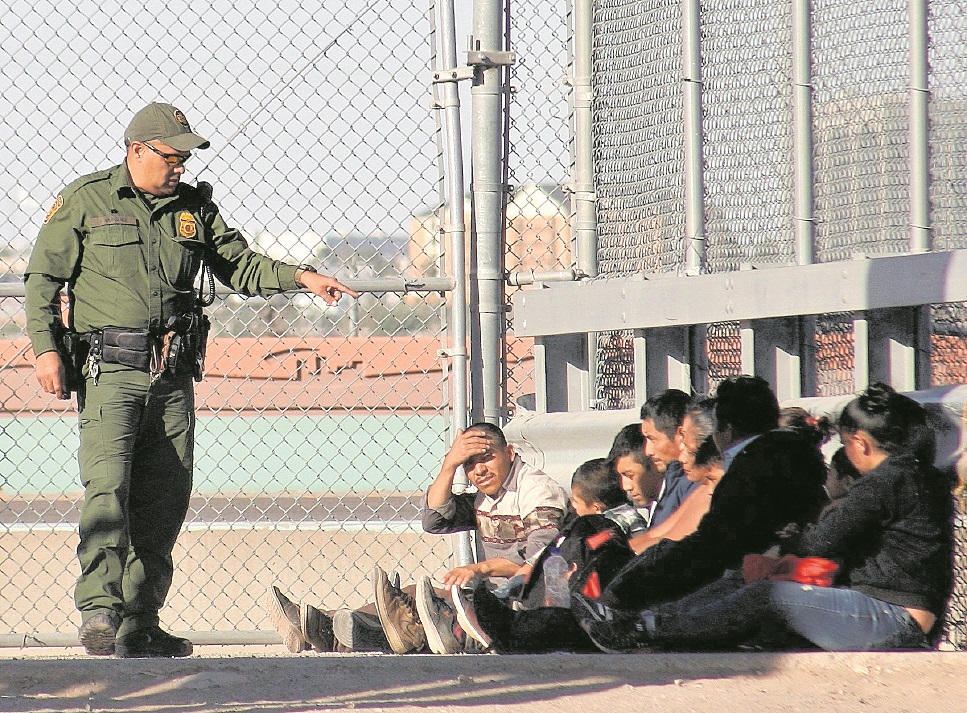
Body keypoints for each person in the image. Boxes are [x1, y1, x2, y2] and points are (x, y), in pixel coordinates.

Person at [24, 102, 358, 658]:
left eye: (184, 157)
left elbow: (239, 264)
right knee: (108, 491)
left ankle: (140, 622)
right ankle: (100, 612)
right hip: (110, 375)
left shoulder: (193, 209)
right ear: (137, 150)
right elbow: (42, 279)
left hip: (172, 378)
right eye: (171, 155)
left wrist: (301, 276)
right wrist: (45, 351)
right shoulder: (87, 200)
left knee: (164, 501)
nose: (179, 165)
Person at [576, 383, 954, 653]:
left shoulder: (888, 481)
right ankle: (646, 622)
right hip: (889, 609)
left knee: (766, 591)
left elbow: (822, 541)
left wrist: (790, 541)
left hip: (897, 619)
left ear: (858, 442)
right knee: (751, 578)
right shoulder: (912, 476)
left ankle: (643, 627)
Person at [267, 422, 568, 655]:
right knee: (410, 597)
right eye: (470, 464)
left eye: (487, 459)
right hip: (494, 598)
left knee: (426, 607)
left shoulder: (536, 489)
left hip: (528, 605)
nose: (479, 471)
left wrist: (480, 569)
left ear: (510, 452)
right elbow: (435, 520)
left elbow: (541, 562)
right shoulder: (486, 497)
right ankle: (322, 625)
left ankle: (331, 633)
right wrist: (449, 465)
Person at [592, 375, 828, 611]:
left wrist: (625, 590)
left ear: (725, 429)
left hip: (753, 575)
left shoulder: (748, 465)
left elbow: (712, 542)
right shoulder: (786, 453)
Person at [629, 397, 723, 553]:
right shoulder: (695, 483)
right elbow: (657, 535)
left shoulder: (707, 487)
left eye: (688, 447)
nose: (648, 451)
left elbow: (671, 543)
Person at [639, 389, 699, 528]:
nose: (648, 451)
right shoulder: (673, 478)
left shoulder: (696, 481)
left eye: (652, 439)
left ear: (680, 434)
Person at [606, 424, 663, 525]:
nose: (625, 486)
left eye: (630, 476)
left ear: (653, 464)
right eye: (620, 476)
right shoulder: (658, 506)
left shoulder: (678, 503)